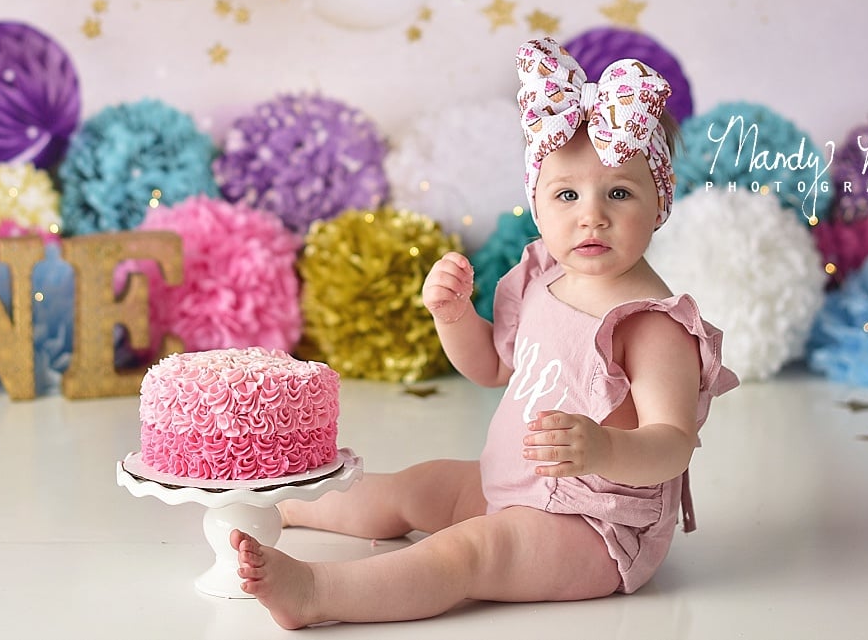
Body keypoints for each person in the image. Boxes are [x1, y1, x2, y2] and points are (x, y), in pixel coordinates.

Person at [233, 36, 738, 629]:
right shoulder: (543, 278)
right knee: (420, 484)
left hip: (593, 526)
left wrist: (603, 448)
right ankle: (286, 507)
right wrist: (453, 318)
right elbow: (492, 370)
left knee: (467, 553)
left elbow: (672, 443)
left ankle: (317, 592)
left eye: (619, 193)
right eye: (567, 194)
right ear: (537, 202)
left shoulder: (651, 323)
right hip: (513, 484)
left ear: (660, 203)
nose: (591, 215)